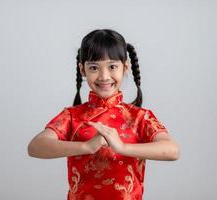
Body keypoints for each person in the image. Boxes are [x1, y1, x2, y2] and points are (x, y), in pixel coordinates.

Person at [27, 29, 180, 200]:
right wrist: (86, 147)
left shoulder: (139, 117)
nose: (104, 76)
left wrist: (122, 147)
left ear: (126, 67)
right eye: (94, 68)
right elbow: (35, 147)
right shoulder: (72, 116)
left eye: (112, 66)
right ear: (82, 70)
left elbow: (172, 150)